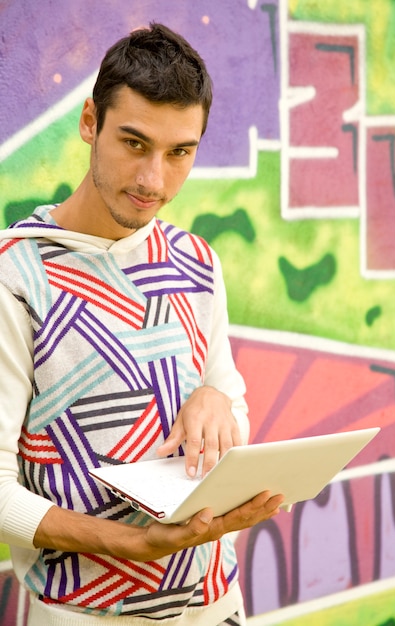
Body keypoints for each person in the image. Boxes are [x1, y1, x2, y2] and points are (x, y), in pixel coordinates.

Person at [0, 23, 283, 626]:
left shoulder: (197, 261)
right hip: (83, 613)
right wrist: (127, 544)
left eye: (180, 152)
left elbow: (232, 414)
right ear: (88, 122)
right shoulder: (15, 276)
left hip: (215, 603)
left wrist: (216, 403)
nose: (154, 180)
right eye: (134, 143)